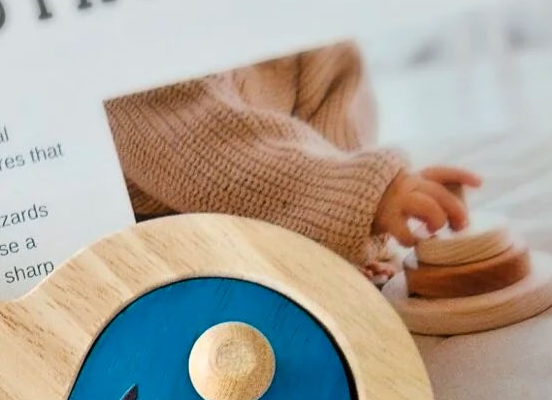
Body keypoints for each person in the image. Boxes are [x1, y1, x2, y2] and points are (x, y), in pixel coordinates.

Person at [106, 42, 480, 278]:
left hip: (282, 222)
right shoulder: (146, 41)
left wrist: (355, 235)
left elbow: (337, 117)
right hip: (173, 241)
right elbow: (206, 148)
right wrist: (365, 194)